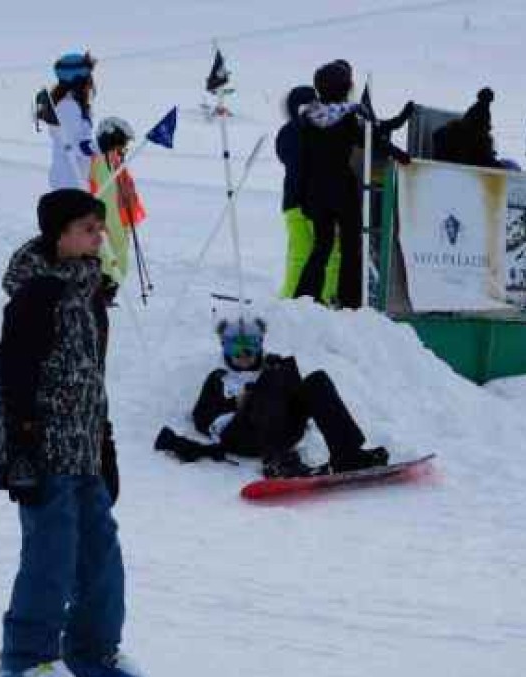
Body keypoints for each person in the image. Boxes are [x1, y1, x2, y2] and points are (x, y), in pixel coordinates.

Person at [0, 188, 155, 677]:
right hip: (41, 448)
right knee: (50, 554)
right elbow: (11, 373)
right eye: (87, 228)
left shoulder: (90, 295)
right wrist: (21, 448)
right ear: (58, 235)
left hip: (83, 446)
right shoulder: (36, 296)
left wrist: (104, 445)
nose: (99, 236)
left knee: (101, 552)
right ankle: (26, 657)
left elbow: (94, 378)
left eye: (99, 227)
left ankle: (91, 651)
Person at [155, 316, 388, 478]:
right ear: (225, 349)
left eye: (251, 348)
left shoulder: (270, 367)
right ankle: (276, 463)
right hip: (242, 436)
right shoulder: (218, 378)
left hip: (282, 429)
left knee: (316, 379)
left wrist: (280, 376)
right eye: (236, 348)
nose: (244, 355)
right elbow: (201, 416)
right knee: (272, 379)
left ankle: (347, 454)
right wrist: (234, 404)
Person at [295, 60, 409, 309]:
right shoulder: (347, 117)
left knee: (321, 247)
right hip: (341, 189)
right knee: (351, 247)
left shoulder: (308, 119)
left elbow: (302, 161)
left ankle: (304, 297)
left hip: (315, 191)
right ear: (343, 88)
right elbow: (370, 140)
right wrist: (398, 153)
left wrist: (302, 196)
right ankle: (350, 303)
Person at [276, 85, 340, 301]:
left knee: (299, 256)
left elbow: (287, 158)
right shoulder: (316, 130)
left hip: (292, 202)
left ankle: (289, 303)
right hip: (315, 203)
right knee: (329, 255)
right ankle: (328, 300)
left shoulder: (286, 133)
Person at [88, 116, 146, 284]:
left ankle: (110, 286)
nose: (125, 149)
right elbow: (103, 200)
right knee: (109, 260)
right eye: (122, 144)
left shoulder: (114, 163)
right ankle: (105, 286)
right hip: (107, 228)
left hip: (119, 226)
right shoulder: (100, 164)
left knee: (118, 259)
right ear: (111, 140)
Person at [41, 52, 97, 190]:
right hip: (70, 183)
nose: (91, 83)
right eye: (88, 77)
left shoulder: (72, 105)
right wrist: (103, 145)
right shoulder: (68, 107)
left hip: (75, 181)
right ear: (78, 81)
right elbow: (73, 146)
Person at [432, 87, 502, 169]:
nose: (489, 100)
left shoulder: (481, 109)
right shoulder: (478, 109)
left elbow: (479, 124)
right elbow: (473, 124)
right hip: (469, 136)